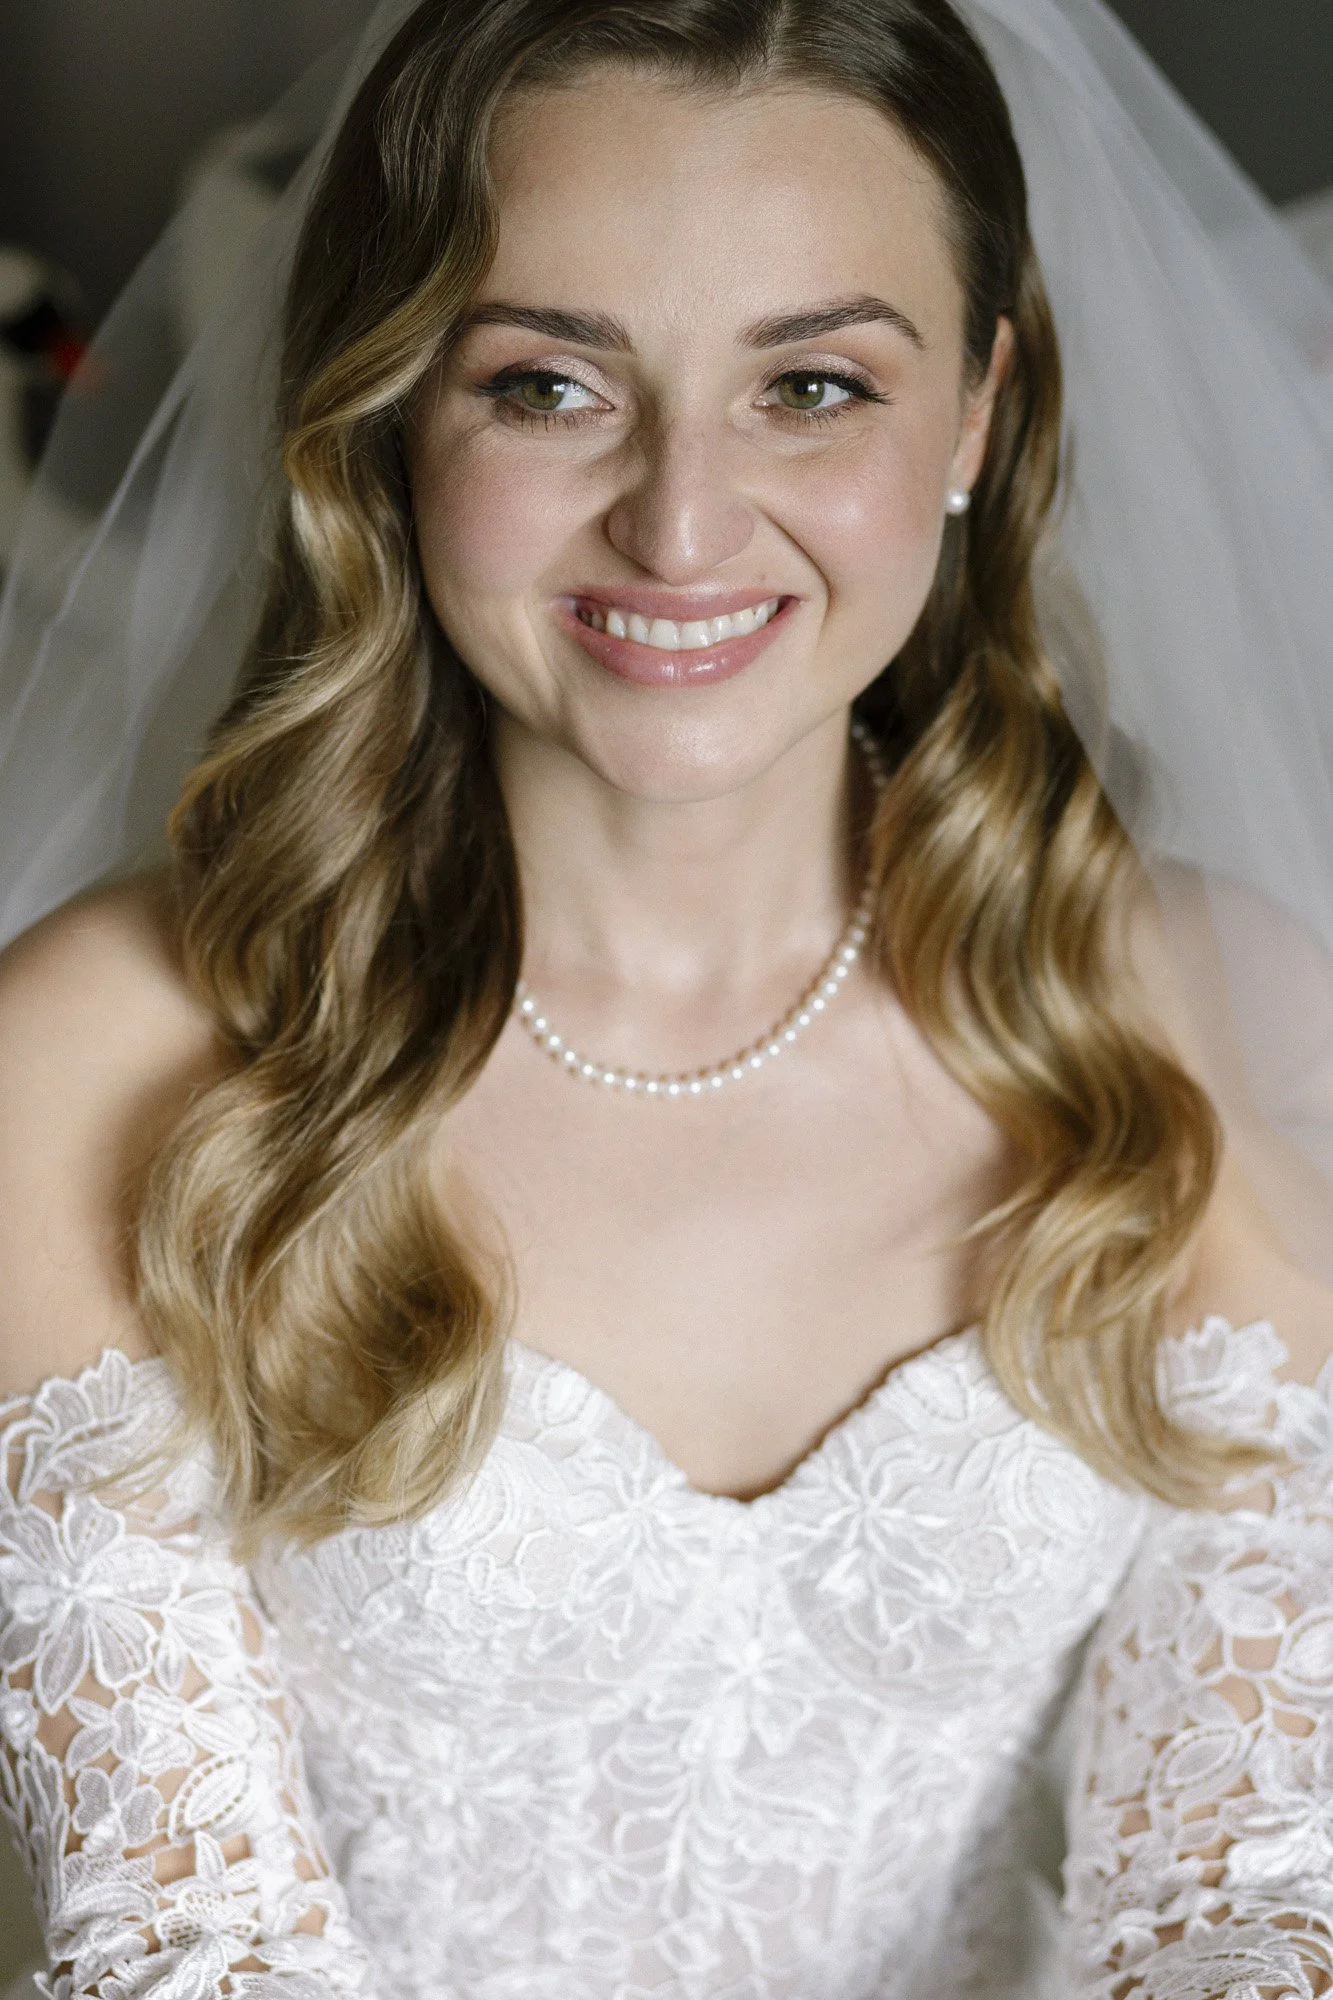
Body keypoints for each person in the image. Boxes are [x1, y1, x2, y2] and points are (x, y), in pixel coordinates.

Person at [0, 0, 1331, 1994]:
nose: (681, 523)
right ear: (392, 409)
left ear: (977, 411)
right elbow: (190, 1946)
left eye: (812, 386)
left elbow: (1239, 1895)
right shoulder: (96, 1057)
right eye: (547, 385)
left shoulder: (1210, 1014)